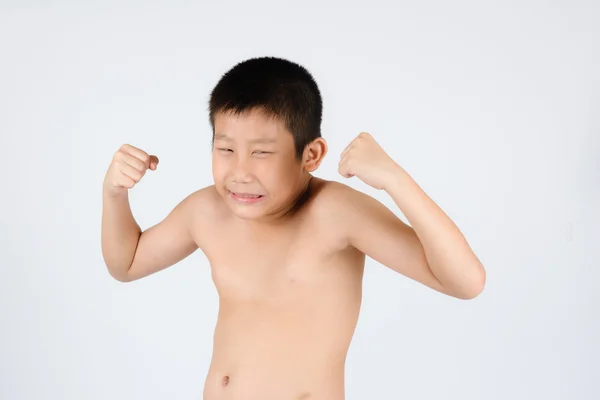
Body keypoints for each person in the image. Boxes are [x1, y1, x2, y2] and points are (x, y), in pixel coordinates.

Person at [101, 56, 486, 400]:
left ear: (311, 154)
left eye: (262, 152)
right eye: (226, 149)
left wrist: (395, 179)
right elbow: (128, 263)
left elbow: (465, 281)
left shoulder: (335, 213)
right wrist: (114, 194)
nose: (240, 172)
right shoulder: (207, 211)